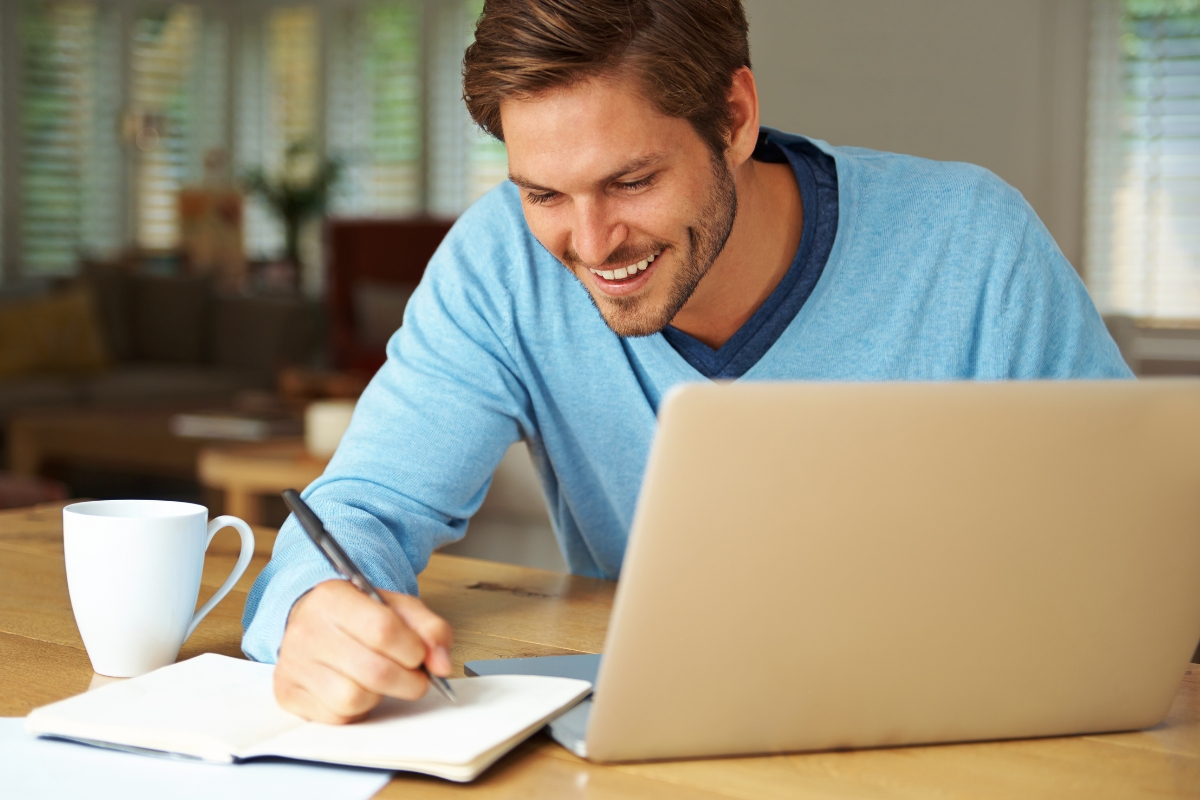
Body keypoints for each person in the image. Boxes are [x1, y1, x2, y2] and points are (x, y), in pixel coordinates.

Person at [243, 0, 1131, 723]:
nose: (590, 244)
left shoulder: (973, 245)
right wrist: (315, 611)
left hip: (957, 728)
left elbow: (1126, 549)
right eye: (545, 193)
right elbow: (367, 506)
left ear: (735, 117)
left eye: (631, 182)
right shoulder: (498, 265)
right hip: (652, 740)